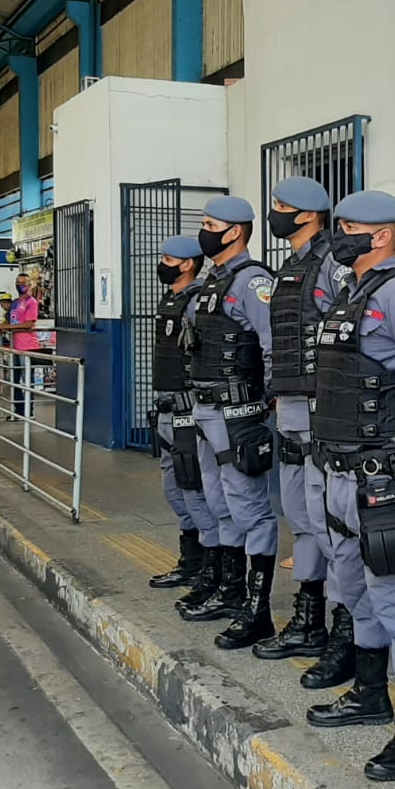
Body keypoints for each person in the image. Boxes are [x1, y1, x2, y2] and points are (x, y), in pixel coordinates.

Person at [305, 191, 395, 780]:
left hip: (380, 475)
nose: (338, 234)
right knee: (354, 587)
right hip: (338, 470)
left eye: (349, 227)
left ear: (383, 236)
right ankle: (369, 693)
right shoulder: (350, 294)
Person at [250, 177, 355, 682]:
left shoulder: (334, 263)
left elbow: (350, 335)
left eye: (282, 207)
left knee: (330, 524)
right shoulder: (290, 267)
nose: (275, 213)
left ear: (310, 214)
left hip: (323, 411)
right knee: (301, 518)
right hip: (291, 409)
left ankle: (342, 630)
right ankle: (308, 619)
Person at [176, 195, 280, 651]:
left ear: (235, 231)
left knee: (251, 509)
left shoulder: (252, 281)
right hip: (205, 410)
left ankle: (257, 610)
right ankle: (231, 591)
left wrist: (268, 399)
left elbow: (274, 342)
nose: (205, 231)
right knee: (221, 505)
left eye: (211, 224)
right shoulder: (215, 280)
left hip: (237, 414)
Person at [146, 236, 221, 590]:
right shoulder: (172, 298)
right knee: (174, 487)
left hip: (187, 409)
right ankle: (191, 560)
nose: (162, 263)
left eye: (168, 258)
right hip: (166, 408)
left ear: (188, 263)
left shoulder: (196, 302)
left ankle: (211, 566)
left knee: (193, 485)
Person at [0, 277, 40, 419]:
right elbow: (8, 322)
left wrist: (5, 327)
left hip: (28, 346)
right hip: (14, 346)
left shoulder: (31, 302)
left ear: (29, 285)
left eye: (23, 283)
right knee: (14, 379)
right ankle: (19, 410)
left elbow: (29, 324)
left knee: (27, 380)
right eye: (18, 283)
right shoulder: (15, 304)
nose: (20, 285)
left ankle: (29, 412)